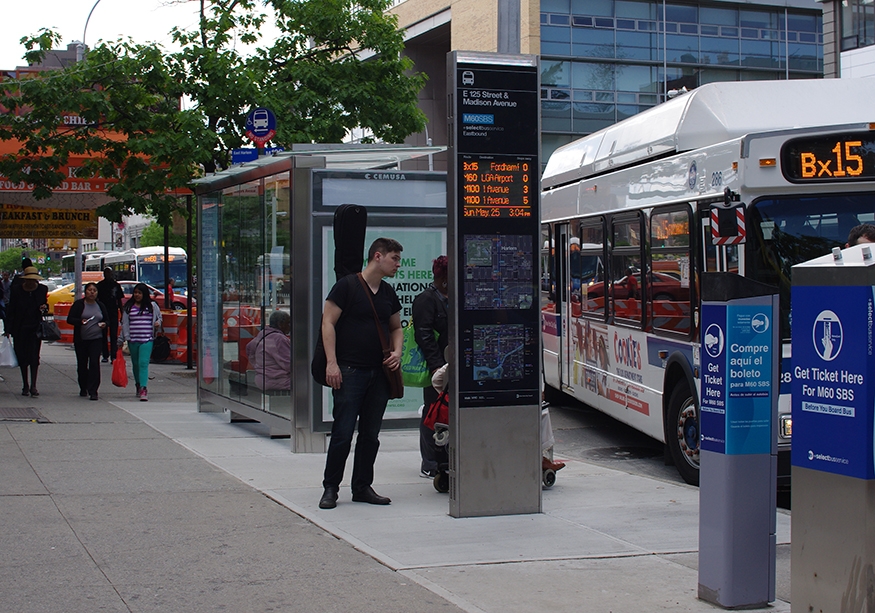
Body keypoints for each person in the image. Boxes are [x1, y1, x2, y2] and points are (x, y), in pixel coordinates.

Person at [317, 237, 404, 510]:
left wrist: (397, 352)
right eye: (394, 258)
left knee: (371, 434)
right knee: (342, 432)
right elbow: (327, 322)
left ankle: (362, 486)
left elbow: (396, 327)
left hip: (378, 373)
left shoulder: (388, 293)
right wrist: (332, 363)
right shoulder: (347, 286)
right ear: (377, 256)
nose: (398, 265)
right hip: (350, 370)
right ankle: (331, 487)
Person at [412, 255, 449, 478]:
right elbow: (423, 335)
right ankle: (430, 461)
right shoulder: (426, 299)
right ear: (444, 278)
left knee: (445, 412)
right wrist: (436, 365)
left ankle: (444, 457)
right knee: (433, 411)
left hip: (451, 363)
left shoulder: (452, 297)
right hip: (437, 366)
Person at [5, 266, 48, 396]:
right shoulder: (17, 290)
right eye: (28, 280)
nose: (31, 282)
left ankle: (33, 386)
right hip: (20, 328)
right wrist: (8, 329)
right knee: (22, 357)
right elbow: (11, 310)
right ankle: (25, 385)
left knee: (34, 357)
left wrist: (44, 307)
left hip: (35, 328)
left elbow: (45, 307)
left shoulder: (41, 290)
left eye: (33, 280)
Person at [119, 282, 163, 402]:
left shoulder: (152, 306)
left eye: (140, 293)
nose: (137, 295)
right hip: (133, 340)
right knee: (136, 364)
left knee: (143, 363)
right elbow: (124, 324)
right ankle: (138, 384)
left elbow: (159, 317)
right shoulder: (129, 307)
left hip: (147, 339)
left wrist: (158, 323)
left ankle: (144, 388)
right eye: (136, 293)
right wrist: (123, 338)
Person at [66, 282, 109, 400]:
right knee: (82, 364)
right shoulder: (79, 305)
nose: (92, 292)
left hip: (96, 339)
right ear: (85, 292)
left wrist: (104, 324)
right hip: (82, 340)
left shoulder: (100, 305)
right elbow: (70, 319)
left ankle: (93, 390)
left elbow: (107, 319)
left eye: (94, 290)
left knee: (94, 363)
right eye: (90, 290)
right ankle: (83, 387)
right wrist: (80, 321)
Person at [246, 310, 291, 391]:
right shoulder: (279, 339)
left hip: (261, 379)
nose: (290, 326)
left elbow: (249, 348)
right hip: (277, 381)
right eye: (288, 323)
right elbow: (289, 365)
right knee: (306, 383)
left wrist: (257, 366)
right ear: (280, 324)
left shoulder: (262, 334)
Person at [96, 267, 124, 363]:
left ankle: (113, 355)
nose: (108, 274)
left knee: (113, 334)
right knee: (103, 334)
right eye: (106, 273)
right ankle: (105, 355)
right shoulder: (100, 286)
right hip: (103, 313)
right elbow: (97, 300)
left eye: (109, 273)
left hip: (113, 312)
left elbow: (119, 300)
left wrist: (122, 313)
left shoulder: (116, 286)